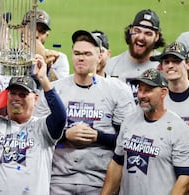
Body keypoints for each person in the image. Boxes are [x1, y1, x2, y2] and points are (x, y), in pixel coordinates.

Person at [34, 30, 136, 194]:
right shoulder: (54, 90)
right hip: (58, 181)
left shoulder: (118, 91)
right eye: (77, 53)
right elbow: (36, 134)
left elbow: (129, 141)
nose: (81, 58)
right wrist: (65, 135)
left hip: (99, 182)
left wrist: (98, 136)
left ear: (99, 57)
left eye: (87, 54)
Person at [0, 53, 66, 194]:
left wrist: (43, 78)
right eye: (12, 93)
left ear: (36, 98)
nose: (16, 98)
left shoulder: (42, 128)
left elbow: (60, 117)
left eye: (23, 95)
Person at [101, 68, 189, 195]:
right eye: (140, 89)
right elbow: (117, 164)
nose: (141, 95)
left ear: (163, 92)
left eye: (148, 90)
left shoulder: (180, 130)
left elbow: (184, 180)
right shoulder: (128, 122)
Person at [105, 9, 165, 99]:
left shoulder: (163, 66)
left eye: (148, 33)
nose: (141, 37)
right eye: (137, 31)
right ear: (130, 31)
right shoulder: (111, 66)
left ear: (156, 37)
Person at [150, 41, 189, 123]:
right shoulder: (155, 98)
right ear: (161, 67)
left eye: (176, 61)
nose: (170, 66)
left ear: (188, 64)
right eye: (166, 62)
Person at [34, 9, 69, 80]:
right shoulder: (9, 57)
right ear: (22, 30)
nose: (36, 35)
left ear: (47, 36)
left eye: (42, 31)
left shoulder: (59, 58)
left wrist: (46, 67)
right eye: (31, 29)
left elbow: (59, 89)